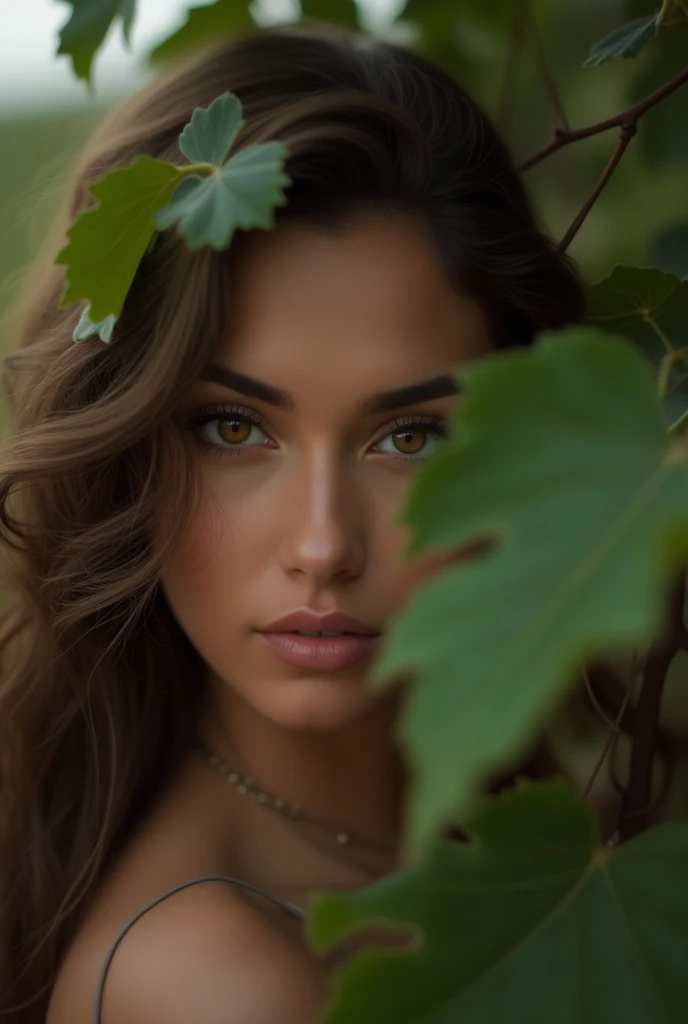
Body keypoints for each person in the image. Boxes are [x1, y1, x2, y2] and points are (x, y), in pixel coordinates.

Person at [0, 19, 583, 1024]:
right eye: (233, 428)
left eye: (410, 438)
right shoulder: (223, 984)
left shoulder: (527, 840)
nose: (321, 546)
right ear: (124, 451)